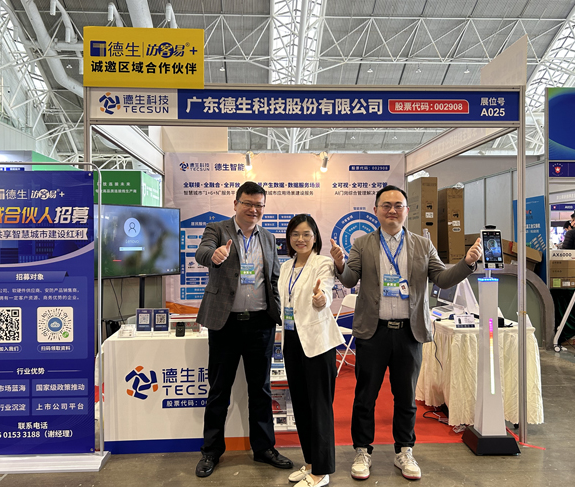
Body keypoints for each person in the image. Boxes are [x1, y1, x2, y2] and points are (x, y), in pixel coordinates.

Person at [329, 185, 482, 481]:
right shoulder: (362, 244)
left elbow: (442, 279)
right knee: (365, 396)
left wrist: (467, 263)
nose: (392, 210)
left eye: (398, 205)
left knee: (406, 398)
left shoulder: (423, 246)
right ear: (376, 210)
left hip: (409, 334)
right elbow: (348, 279)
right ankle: (362, 450)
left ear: (407, 211)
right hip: (373, 333)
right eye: (386, 205)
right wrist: (339, 263)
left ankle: (404, 450)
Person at [194, 181, 293, 478]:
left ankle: (264, 448)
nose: (253, 209)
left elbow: (273, 278)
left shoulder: (269, 237)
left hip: (261, 324)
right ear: (235, 204)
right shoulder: (217, 229)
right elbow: (202, 251)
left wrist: (280, 313)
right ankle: (211, 451)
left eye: (259, 205)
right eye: (248, 203)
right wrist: (213, 256)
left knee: (260, 389)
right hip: (225, 324)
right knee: (219, 390)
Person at [278, 215, 344, 487]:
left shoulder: (323, 263)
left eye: (306, 234)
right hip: (292, 341)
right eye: (295, 234)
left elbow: (324, 290)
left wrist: (321, 299)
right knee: (301, 405)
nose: (300, 239)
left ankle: (322, 470)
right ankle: (309, 462)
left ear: (315, 237)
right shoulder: (285, 266)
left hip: (317, 343)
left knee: (319, 407)